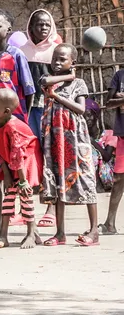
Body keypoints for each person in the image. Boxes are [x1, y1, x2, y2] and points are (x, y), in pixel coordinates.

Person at [0, 9, 35, 242]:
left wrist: (22, 123)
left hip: (12, 128)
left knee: (19, 177)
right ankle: (1, 230)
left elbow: (29, 91)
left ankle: (31, 229)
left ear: (9, 30)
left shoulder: (16, 56)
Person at [39, 44, 100, 247]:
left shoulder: (79, 84)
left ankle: (94, 231)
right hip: (54, 140)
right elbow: (45, 81)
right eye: (54, 58)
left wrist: (57, 96)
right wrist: (67, 77)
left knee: (86, 179)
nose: (56, 62)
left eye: (62, 59)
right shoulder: (49, 81)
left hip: (75, 139)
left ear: (72, 62)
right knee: (57, 182)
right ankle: (60, 233)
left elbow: (81, 109)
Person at [19, 8, 61, 229]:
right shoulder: (21, 51)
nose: (43, 28)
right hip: (28, 110)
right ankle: (23, 209)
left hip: (49, 108)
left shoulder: (56, 50)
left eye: (46, 24)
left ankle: (50, 206)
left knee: (48, 155)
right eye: (38, 24)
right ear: (31, 27)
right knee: (25, 156)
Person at [0, 88, 43, 249]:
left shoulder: (13, 127)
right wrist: (6, 174)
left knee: (25, 196)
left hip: (25, 161)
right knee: (9, 197)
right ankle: (4, 235)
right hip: (10, 162)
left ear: (5, 111)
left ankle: (31, 232)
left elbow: (19, 153)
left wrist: (23, 181)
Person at [101, 62, 124, 235]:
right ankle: (110, 223)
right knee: (119, 180)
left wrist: (120, 98)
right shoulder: (119, 76)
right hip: (123, 135)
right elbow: (109, 103)